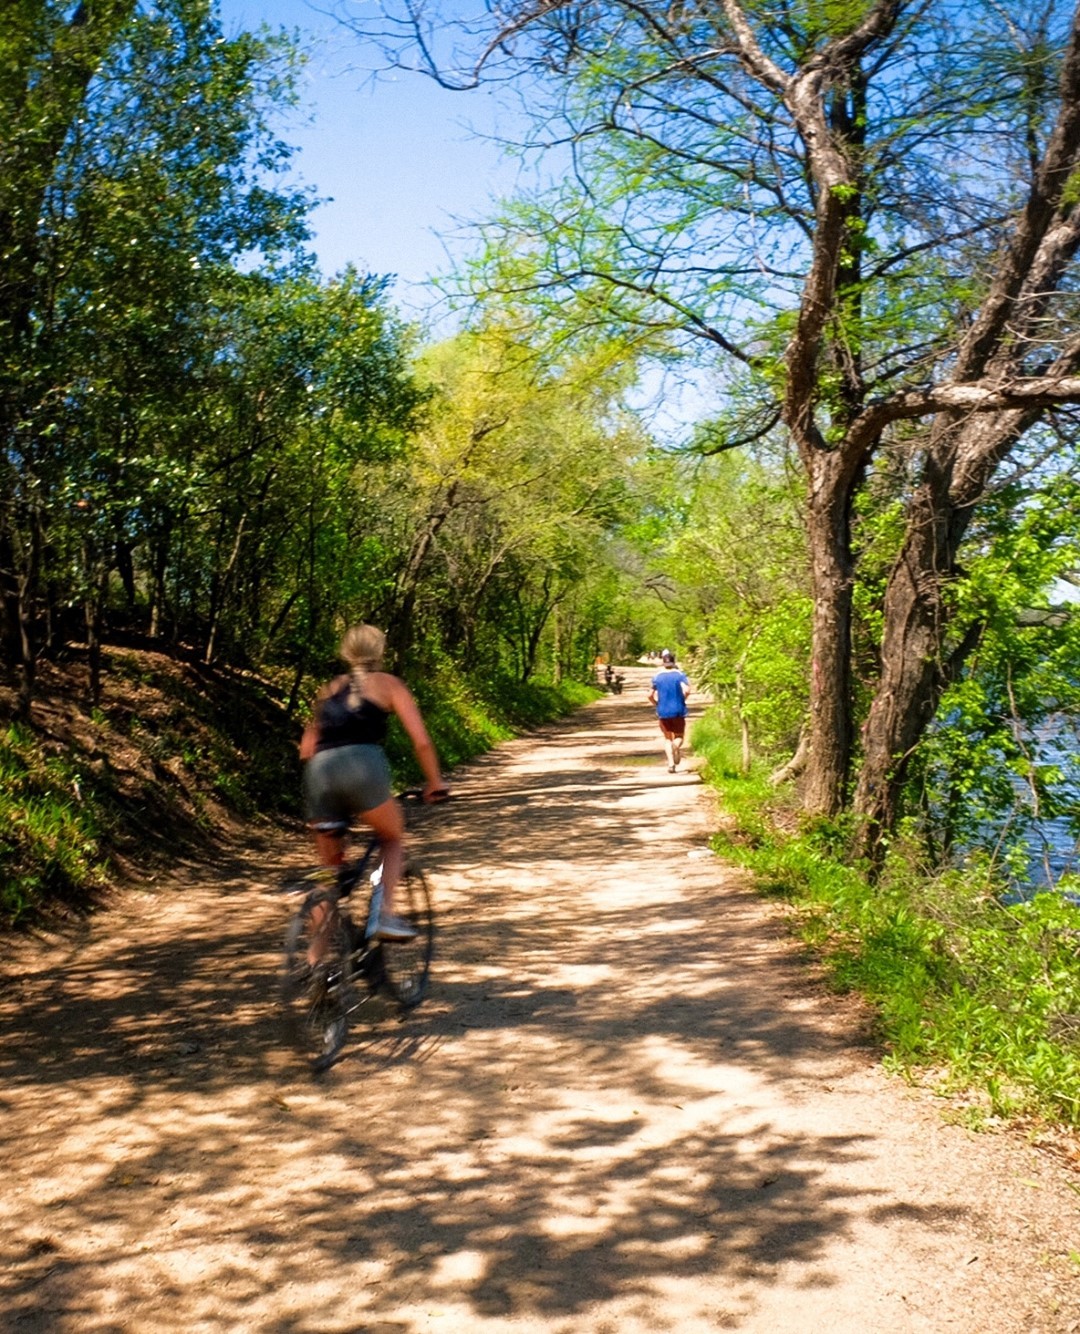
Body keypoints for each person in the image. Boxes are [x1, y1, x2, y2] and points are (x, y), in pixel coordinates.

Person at [299, 623, 448, 942]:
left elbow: (306, 747)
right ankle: (384, 915)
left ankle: (317, 971)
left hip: (318, 775)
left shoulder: (328, 689)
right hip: (363, 769)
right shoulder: (390, 684)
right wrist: (435, 781)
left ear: (346, 652)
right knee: (392, 836)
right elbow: (421, 742)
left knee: (329, 876)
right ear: (381, 651)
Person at [649, 649, 691, 772]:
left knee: (667, 738)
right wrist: (683, 699)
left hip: (663, 711)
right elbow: (687, 690)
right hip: (678, 709)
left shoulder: (657, 677)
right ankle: (676, 746)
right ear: (673, 662)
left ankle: (671, 764)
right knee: (679, 736)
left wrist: (656, 703)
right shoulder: (680, 675)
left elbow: (649, 695)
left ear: (663, 663)